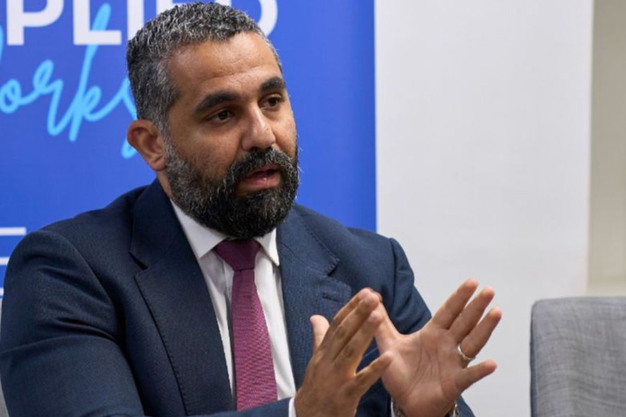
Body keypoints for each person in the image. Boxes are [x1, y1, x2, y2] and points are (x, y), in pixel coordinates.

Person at [0, 3, 501, 417]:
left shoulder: (370, 267)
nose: (263, 135)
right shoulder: (67, 272)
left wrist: (423, 414)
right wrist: (301, 414)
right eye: (223, 114)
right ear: (153, 144)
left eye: (272, 101)